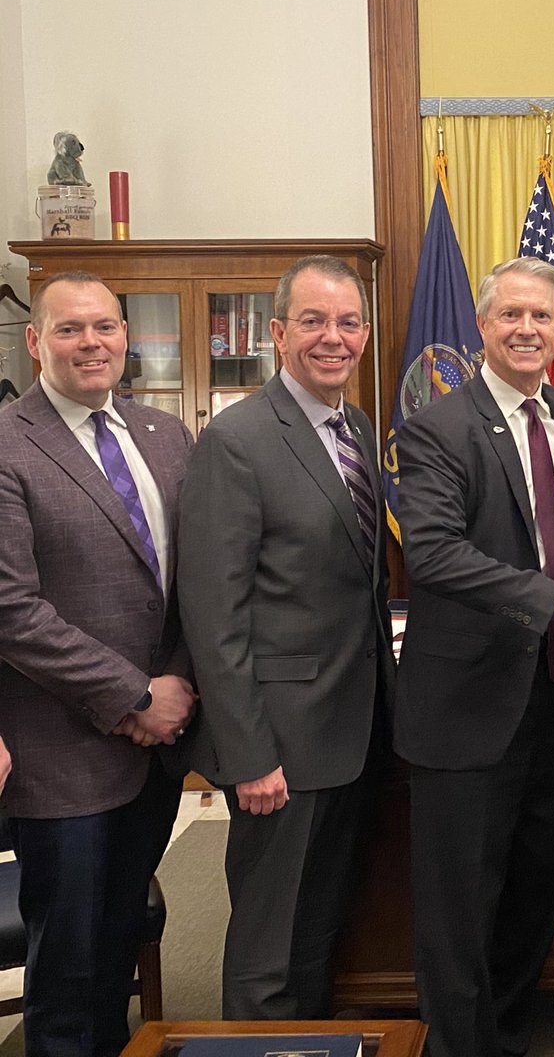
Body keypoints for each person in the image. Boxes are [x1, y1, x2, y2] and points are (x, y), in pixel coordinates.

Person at [393, 255, 554, 1057]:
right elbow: (436, 554)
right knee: (459, 910)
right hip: (467, 708)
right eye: (510, 315)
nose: (526, 329)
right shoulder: (437, 426)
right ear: (483, 326)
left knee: (533, 892)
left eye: (542, 317)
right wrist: (551, 600)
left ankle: (506, 1037)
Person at [176, 254, 390, 1020]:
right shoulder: (236, 440)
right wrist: (249, 754)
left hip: (350, 732)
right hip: (280, 747)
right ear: (275, 333)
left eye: (348, 322)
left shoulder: (355, 427)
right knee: (268, 949)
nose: (333, 337)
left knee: (319, 932)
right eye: (313, 320)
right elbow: (213, 613)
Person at [0, 271, 196, 1057]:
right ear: (34, 341)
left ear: (126, 336)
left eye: (106, 327)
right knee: (69, 972)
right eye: (71, 329)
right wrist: (132, 694)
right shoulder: (10, 444)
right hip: (65, 752)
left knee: (117, 947)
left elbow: (191, 582)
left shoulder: (165, 434)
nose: (92, 343)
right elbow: (13, 610)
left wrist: (176, 684)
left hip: (156, 746)